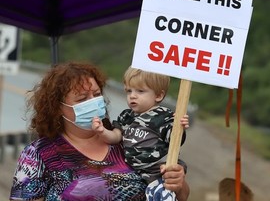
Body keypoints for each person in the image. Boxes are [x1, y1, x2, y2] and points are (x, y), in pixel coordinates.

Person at [9, 62, 190, 201]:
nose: (93, 102)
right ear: (57, 108)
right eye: (82, 98)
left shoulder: (127, 138)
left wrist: (178, 184)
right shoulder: (39, 154)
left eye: (96, 95)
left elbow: (179, 195)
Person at [92, 66, 189, 201]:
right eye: (129, 91)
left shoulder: (164, 117)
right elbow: (116, 137)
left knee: (159, 194)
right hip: (136, 171)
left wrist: (180, 128)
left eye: (140, 91)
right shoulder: (127, 116)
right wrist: (102, 131)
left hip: (158, 169)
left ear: (158, 95)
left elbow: (175, 140)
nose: (132, 95)